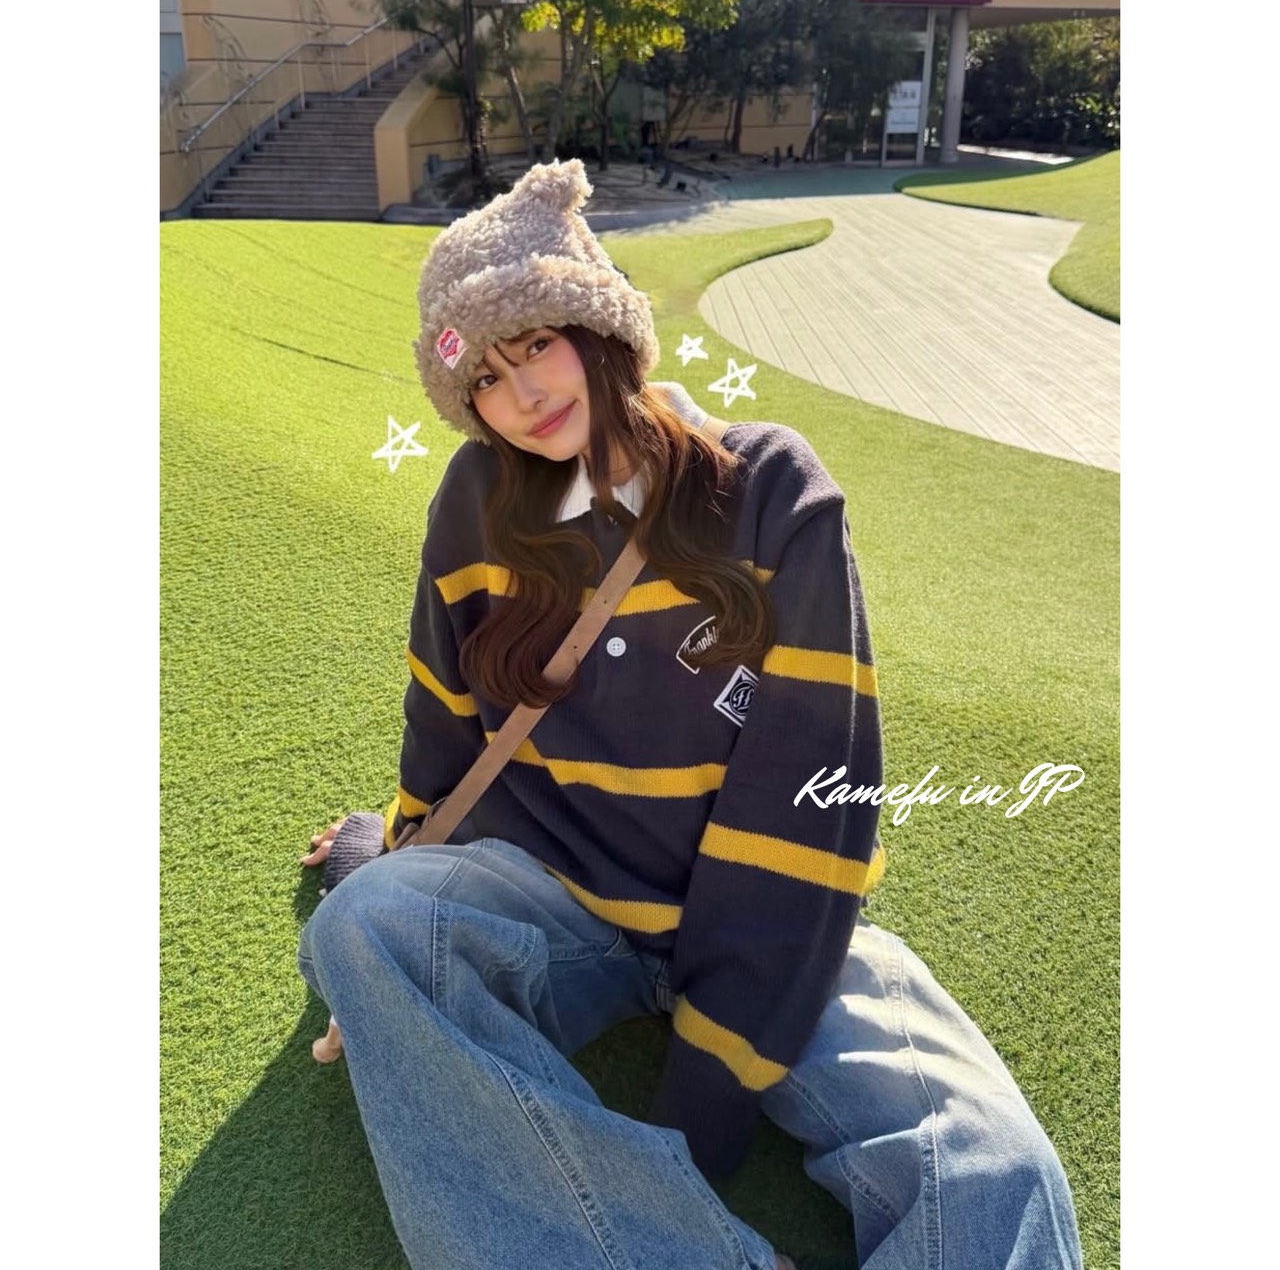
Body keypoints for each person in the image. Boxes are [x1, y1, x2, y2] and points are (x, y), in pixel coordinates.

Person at [298, 159, 1083, 1270]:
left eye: (537, 342)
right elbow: (444, 721)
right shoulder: (473, 502)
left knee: (990, 1170)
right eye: (484, 378)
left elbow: (808, 805)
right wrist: (386, 881)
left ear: (601, 327)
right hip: (558, 904)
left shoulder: (769, 488)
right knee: (363, 929)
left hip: (774, 920)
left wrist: (703, 1097)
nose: (521, 394)